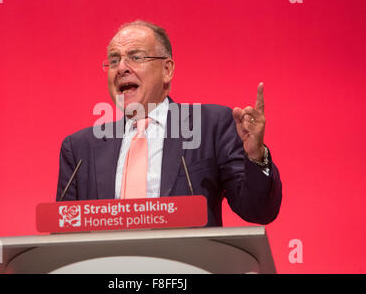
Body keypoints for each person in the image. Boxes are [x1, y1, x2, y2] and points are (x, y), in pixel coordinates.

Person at [56, 20, 282, 226]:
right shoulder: (79, 149)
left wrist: (255, 157)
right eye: (114, 60)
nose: (122, 68)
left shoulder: (210, 126)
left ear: (167, 70)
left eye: (136, 57)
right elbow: (63, 236)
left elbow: (259, 211)